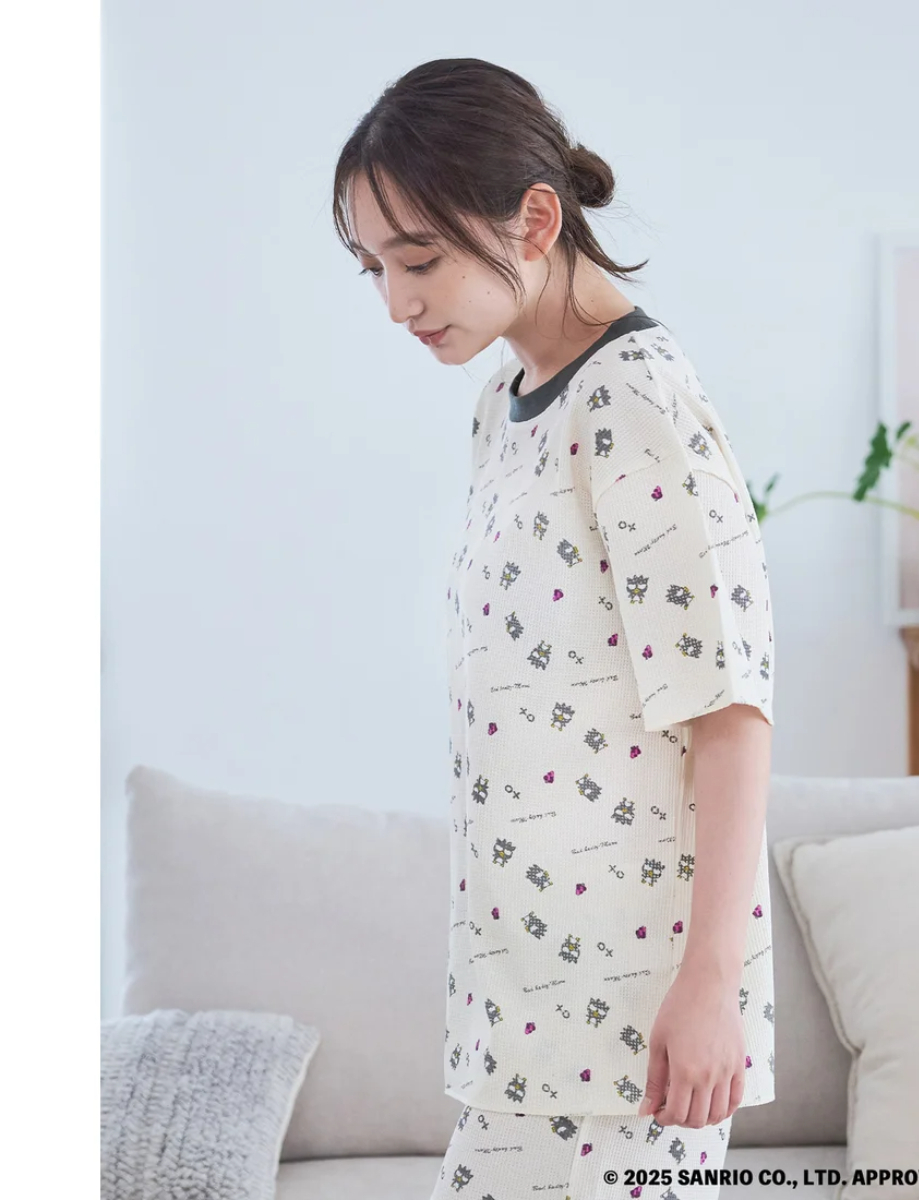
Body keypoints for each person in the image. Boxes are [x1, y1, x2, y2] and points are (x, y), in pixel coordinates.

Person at [332, 58, 777, 1200]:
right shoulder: (506, 404)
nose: (396, 303)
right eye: (374, 267)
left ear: (535, 220)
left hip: (636, 1029)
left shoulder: (637, 398)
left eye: (417, 259)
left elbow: (729, 709)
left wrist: (710, 985)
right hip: (526, 1014)